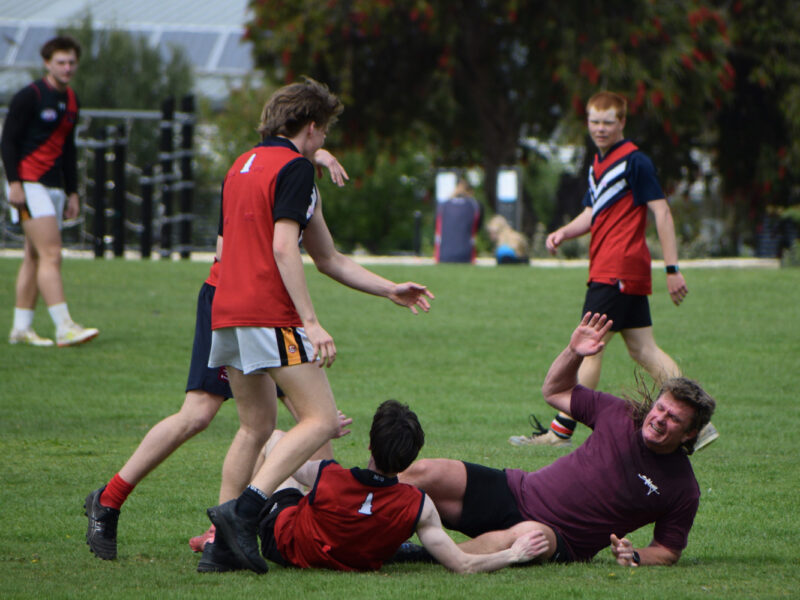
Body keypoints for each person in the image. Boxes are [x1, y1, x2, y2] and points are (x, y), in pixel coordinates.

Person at [204, 78, 434, 574]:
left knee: (255, 427)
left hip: (226, 311)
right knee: (322, 420)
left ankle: (219, 548)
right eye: (325, 130)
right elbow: (284, 248)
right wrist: (310, 322)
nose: (325, 140)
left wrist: (389, 288)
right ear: (311, 127)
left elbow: (327, 257)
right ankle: (243, 512)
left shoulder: (240, 166)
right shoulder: (295, 169)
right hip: (270, 313)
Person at [83, 149, 350, 560]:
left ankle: (224, 535)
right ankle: (114, 500)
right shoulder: (276, 169)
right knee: (208, 414)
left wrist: (317, 154)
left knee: (291, 421)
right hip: (243, 303)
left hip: (256, 305)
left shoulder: (268, 166)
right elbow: (246, 246)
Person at [400, 313, 716, 566]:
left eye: (673, 418)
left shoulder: (682, 488)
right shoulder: (619, 414)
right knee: (427, 472)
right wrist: (573, 353)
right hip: (518, 490)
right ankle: (370, 513)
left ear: (690, 433)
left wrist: (634, 556)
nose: (659, 418)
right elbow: (554, 391)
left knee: (528, 536)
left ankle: (416, 556)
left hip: (558, 537)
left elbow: (667, 549)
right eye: (660, 408)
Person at [509, 90, 718, 450]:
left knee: (589, 347)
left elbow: (662, 212)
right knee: (644, 350)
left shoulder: (635, 162)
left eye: (608, 122)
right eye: (594, 121)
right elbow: (593, 213)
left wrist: (672, 268)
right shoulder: (598, 163)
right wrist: (564, 232)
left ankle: (560, 432)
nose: (600, 128)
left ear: (622, 122)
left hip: (615, 271)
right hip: (618, 272)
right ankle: (699, 424)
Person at [198, 400, 547, 573]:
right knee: (311, 491)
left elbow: (283, 454)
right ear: (409, 461)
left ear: (369, 444)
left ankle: (225, 536)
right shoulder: (418, 505)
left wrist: (321, 432)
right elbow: (461, 564)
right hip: (352, 554)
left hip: (285, 545)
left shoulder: (330, 475)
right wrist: (512, 555)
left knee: (275, 439)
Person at [1, 35, 99, 348]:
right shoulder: (29, 96)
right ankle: (64, 327)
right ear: (47, 63)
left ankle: (21, 328)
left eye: (71, 62)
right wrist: (14, 182)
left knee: (33, 256)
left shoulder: (72, 100)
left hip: (54, 186)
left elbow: (68, 150)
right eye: (61, 62)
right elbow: (8, 141)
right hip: (29, 183)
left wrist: (73, 192)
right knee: (51, 253)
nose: (67, 68)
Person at [434, 178, 483, 263]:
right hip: (466, 256)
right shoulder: (474, 205)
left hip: (444, 255)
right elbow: (477, 227)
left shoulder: (443, 206)